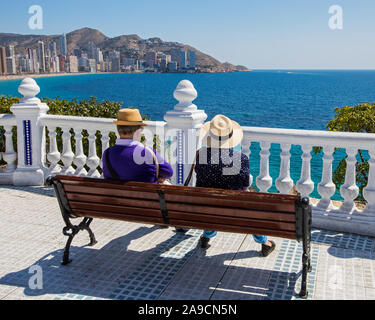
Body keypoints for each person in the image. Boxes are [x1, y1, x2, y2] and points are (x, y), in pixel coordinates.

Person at [194, 114, 276, 257]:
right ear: (230, 138)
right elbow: (245, 186)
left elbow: (200, 181)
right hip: (236, 213)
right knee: (249, 207)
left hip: (207, 209)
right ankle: (264, 242)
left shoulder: (200, 156)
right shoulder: (241, 159)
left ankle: (206, 236)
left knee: (212, 203)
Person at [102, 108, 173, 183]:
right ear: (138, 130)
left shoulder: (107, 154)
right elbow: (169, 172)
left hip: (114, 194)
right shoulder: (147, 153)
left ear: (118, 129)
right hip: (145, 194)